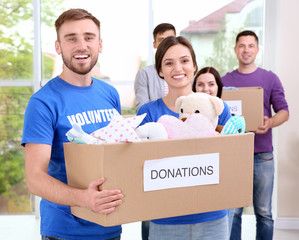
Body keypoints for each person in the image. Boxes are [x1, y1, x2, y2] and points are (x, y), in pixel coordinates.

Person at [22, 9, 124, 240]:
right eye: (71, 38)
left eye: (89, 37)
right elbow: (34, 178)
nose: (81, 45)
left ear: (100, 44)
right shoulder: (43, 102)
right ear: (58, 47)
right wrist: (84, 199)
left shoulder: (110, 94)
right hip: (65, 232)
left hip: (110, 226)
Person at [137, 36, 229, 240]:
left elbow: (230, 159)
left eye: (185, 61)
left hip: (212, 216)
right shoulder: (148, 113)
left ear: (195, 66)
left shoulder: (215, 108)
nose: (178, 68)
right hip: (166, 219)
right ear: (160, 71)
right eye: (169, 63)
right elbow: (139, 165)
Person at [222, 30, 289, 240]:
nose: (246, 50)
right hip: (234, 155)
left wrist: (270, 122)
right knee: (233, 213)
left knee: (264, 213)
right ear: (235, 50)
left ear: (257, 50)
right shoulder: (224, 81)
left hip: (262, 155)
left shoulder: (270, 78)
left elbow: (284, 112)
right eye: (242, 46)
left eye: (251, 46)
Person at [134, 23, 176, 111]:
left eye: (170, 39)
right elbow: (142, 109)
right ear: (154, 44)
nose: (166, 44)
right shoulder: (144, 74)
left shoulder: (185, 71)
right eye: (161, 40)